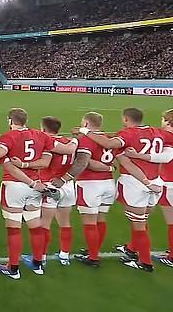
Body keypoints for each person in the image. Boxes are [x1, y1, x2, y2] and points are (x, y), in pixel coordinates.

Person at [0, 108, 77, 279]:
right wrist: (75, 140)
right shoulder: (40, 135)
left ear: (10, 121)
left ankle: (13, 268)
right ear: (26, 120)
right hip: (35, 186)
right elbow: (65, 151)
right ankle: (37, 264)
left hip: (14, 186)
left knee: (14, 229)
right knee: (35, 227)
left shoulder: (9, 136)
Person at [81, 107, 165, 272]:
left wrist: (86, 131)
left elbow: (109, 144)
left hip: (137, 182)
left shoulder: (129, 134)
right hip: (156, 180)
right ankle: (132, 249)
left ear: (126, 119)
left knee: (138, 223)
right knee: (141, 220)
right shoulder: (156, 133)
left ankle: (145, 262)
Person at [118, 109, 173, 268]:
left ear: (168, 122)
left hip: (165, 183)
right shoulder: (162, 136)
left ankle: (149, 260)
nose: (161, 122)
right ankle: (132, 248)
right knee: (142, 219)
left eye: (164, 119)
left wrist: (138, 156)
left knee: (145, 220)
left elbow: (166, 157)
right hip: (160, 182)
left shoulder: (165, 136)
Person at [64, 112, 116, 267]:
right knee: (101, 219)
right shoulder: (107, 138)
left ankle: (93, 258)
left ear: (86, 124)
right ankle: (94, 250)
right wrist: (110, 167)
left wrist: (64, 178)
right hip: (108, 183)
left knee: (90, 223)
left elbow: (85, 163)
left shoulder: (86, 139)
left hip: (90, 184)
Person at [36, 117, 77, 266]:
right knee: (65, 222)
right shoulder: (69, 141)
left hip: (50, 184)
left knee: (45, 224)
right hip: (67, 185)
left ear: (44, 128)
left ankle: (42, 257)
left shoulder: (46, 143)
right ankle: (65, 255)